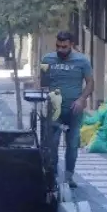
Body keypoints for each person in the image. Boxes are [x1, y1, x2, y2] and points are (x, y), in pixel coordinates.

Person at [40, 30, 95, 188]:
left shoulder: (82, 61)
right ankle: (53, 176)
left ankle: (69, 177)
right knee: (52, 143)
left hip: (74, 110)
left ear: (71, 44)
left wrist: (82, 99)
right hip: (53, 109)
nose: (61, 50)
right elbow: (42, 82)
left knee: (72, 144)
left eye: (64, 47)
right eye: (58, 46)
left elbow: (90, 83)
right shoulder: (47, 59)